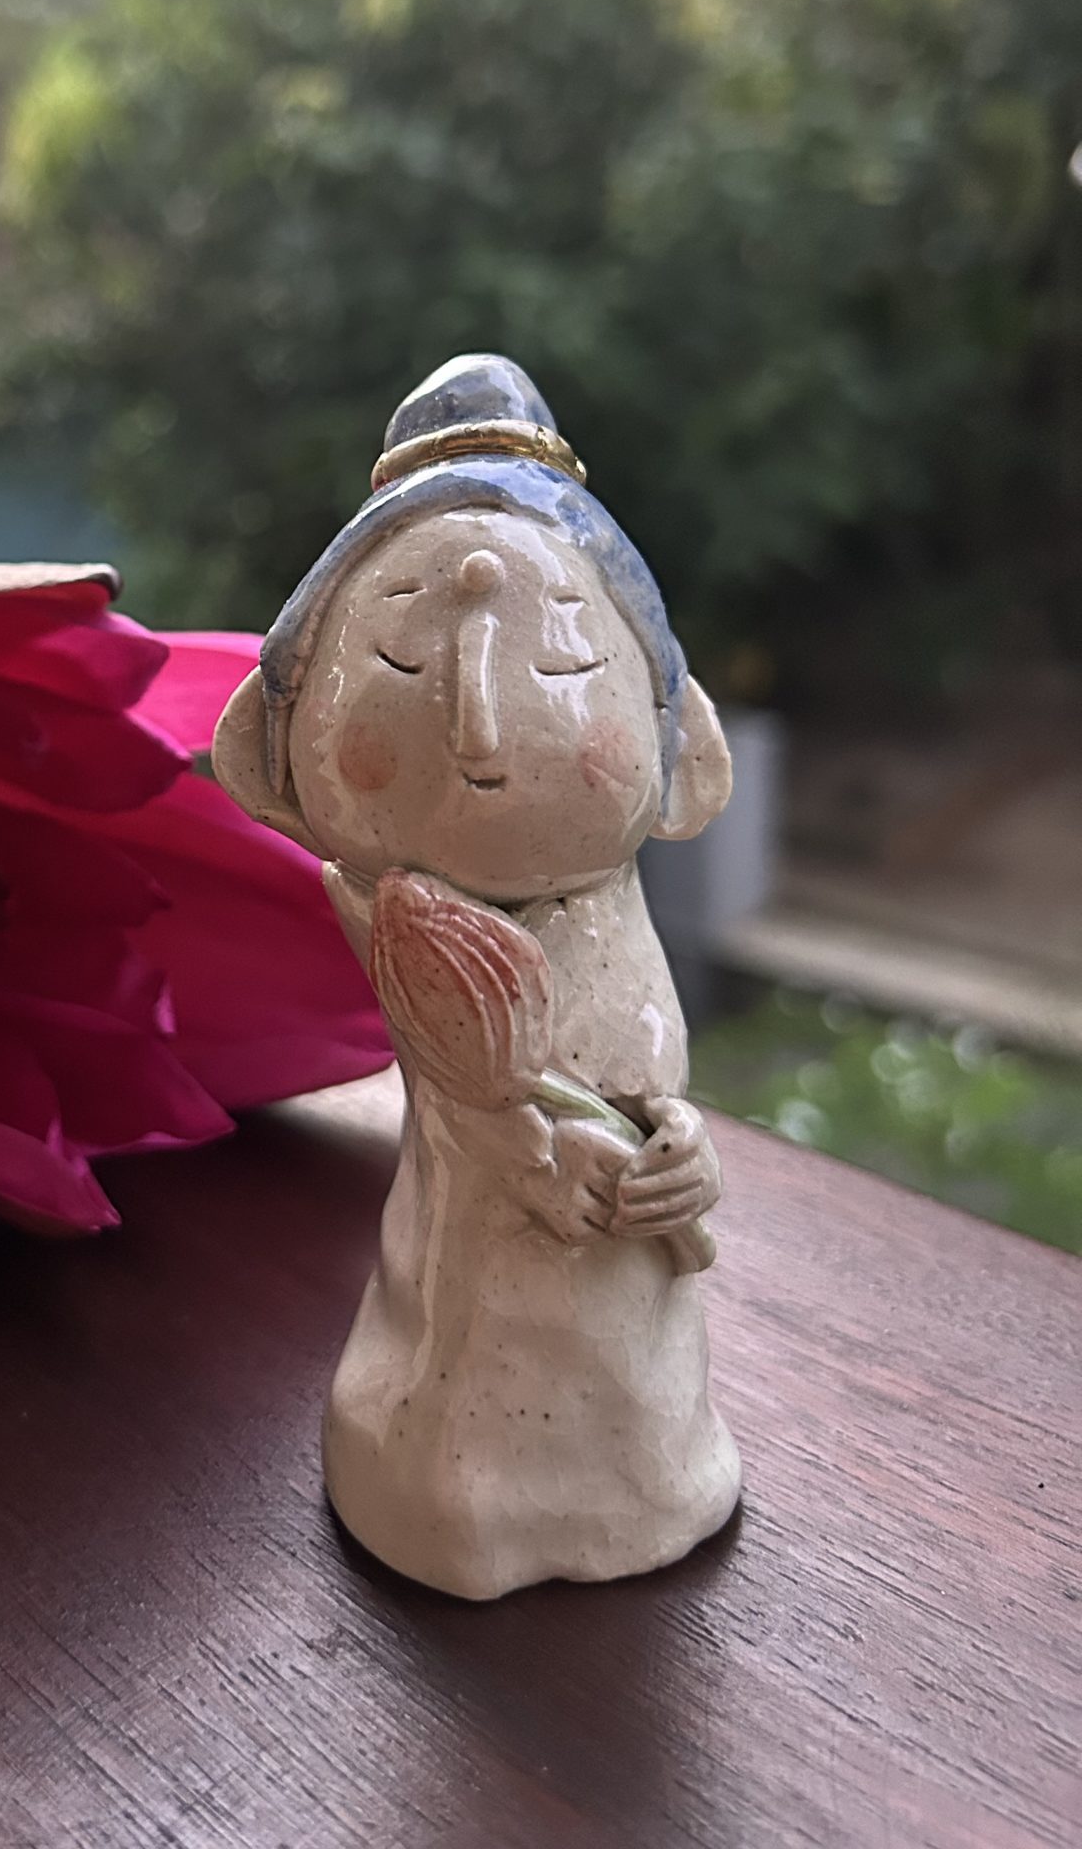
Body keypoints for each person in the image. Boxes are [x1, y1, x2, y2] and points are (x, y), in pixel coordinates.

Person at [212, 353, 743, 1599]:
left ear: (674, 746)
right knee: (464, 1414)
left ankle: (643, 1478)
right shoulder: (401, 917)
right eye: (399, 664)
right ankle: (456, 1492)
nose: (480, 731)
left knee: (636, 1411)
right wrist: (529, 1149)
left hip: (628, 1308)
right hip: (475, 1278)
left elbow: (653, 1089)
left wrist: (684, 1154)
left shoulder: (610, 913)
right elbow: (467, 1099)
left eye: (563, 669)